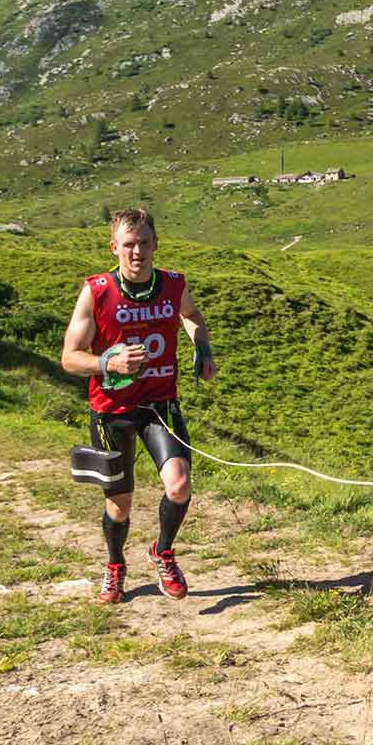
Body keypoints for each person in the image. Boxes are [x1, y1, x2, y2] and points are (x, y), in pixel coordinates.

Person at [60, 208, 215, 603]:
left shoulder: (173, 284)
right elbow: (69, 358)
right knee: (119, 505)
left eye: (144, 243)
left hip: (160, 405)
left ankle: (162, 551)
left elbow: (191, 314)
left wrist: (202, 344)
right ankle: (115, 565)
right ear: (115, 247)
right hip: (111, 411)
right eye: (128, 244)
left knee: (179, 486)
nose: (137, 252)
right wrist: (106, 362)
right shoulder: (96, 291)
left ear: (155, 245)